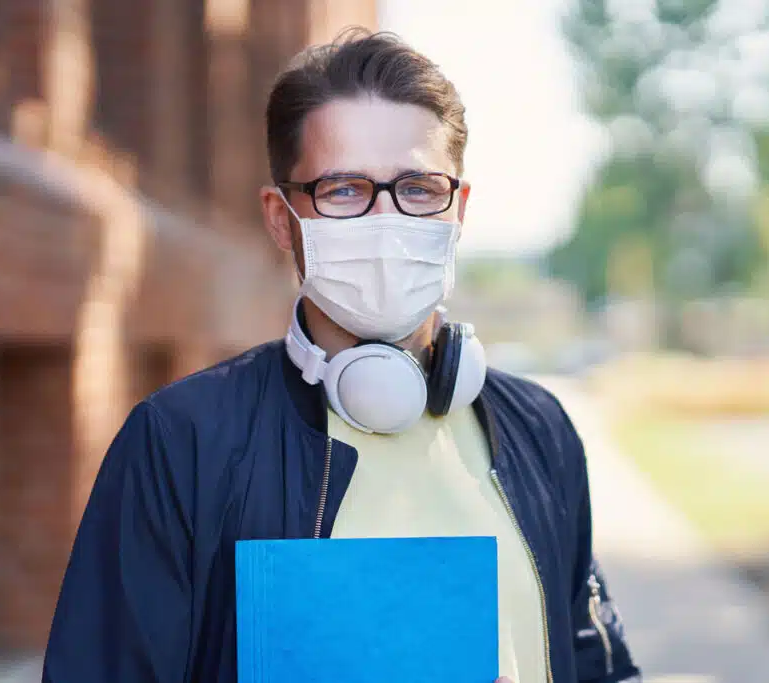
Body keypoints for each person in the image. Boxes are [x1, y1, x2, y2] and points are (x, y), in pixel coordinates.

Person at [42, 28, 641, 683]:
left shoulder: (539, 430)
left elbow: (599, 665)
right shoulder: (182, 444)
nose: (388, 220)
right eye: (344, 190)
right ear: (280, 218)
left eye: (417, 188)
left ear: (459, 208)